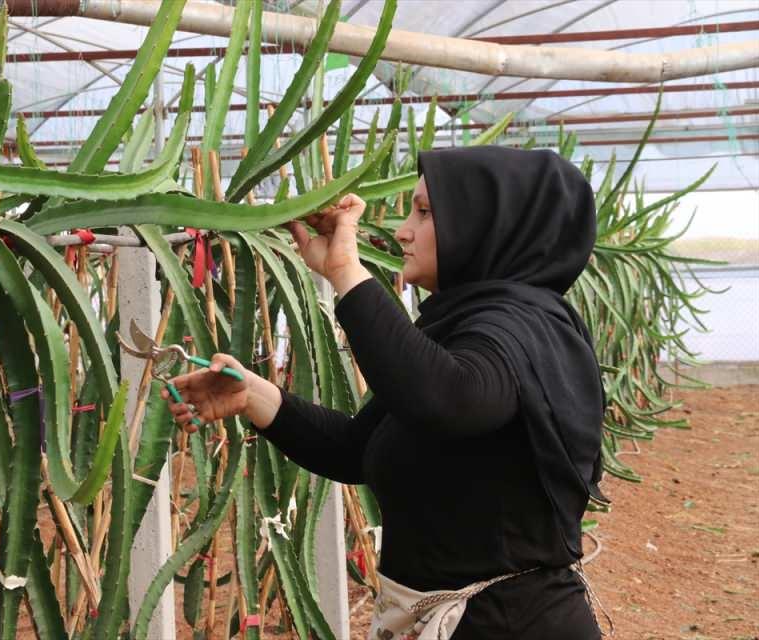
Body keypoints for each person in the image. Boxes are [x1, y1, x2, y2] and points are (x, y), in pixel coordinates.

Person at [161, 146, 608, 639]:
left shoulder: (521, 332)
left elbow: (447, 399)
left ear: (487, 223)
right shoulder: (462, 329)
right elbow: (357, 448)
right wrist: (254, 397)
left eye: (425, 212)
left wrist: (347, 273)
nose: (402, 230)